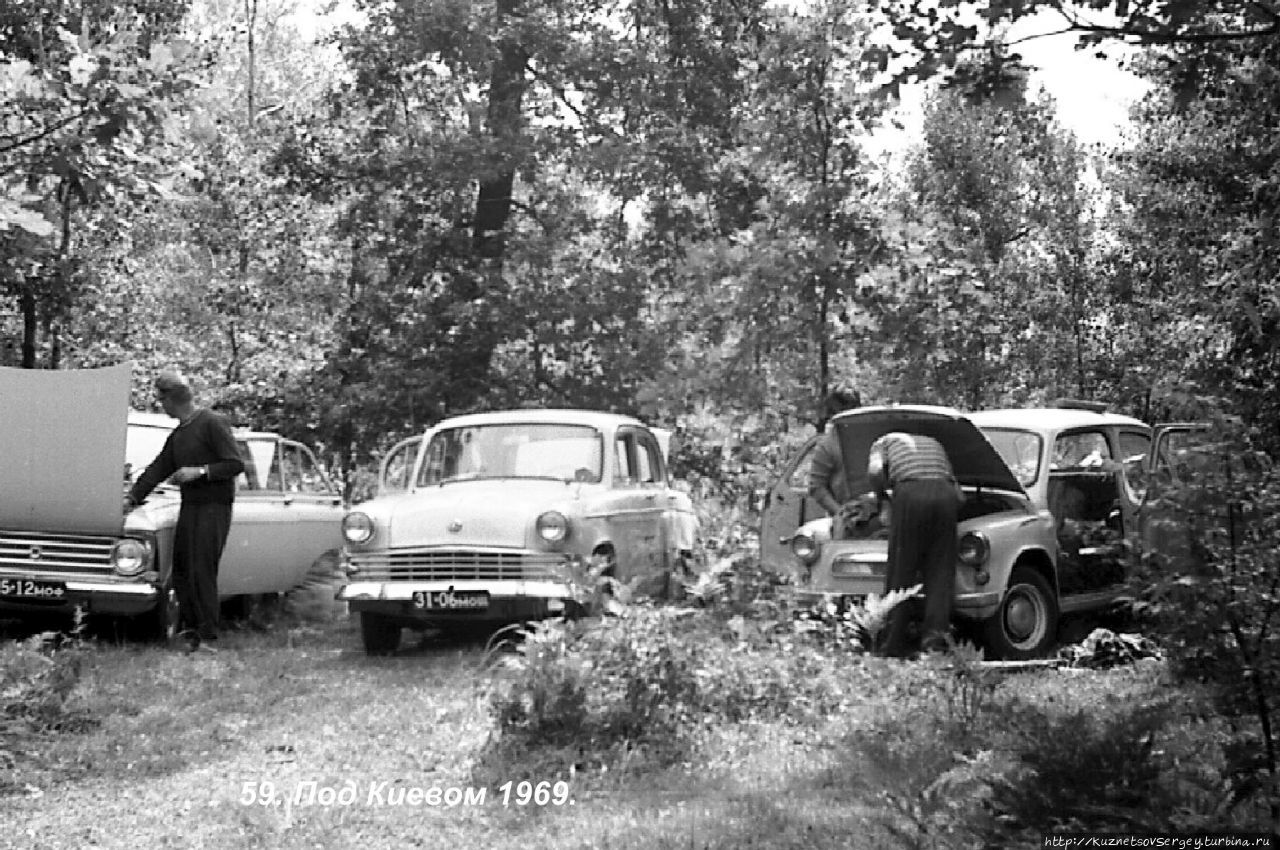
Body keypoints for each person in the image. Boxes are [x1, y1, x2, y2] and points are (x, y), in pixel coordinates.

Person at [124, 372, 244, 652]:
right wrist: (132, 498)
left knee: (202, 569)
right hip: (190, 507)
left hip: (215, 507)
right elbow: (158, 468)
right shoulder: (179, 435)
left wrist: (200, 472)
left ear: (172, 399)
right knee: (182, 570)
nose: (161, 405)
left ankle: (208, 636)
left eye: (162, 399)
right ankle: (191, 632)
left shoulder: (212, 423)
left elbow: (234, 464)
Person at [868, 431, 963, 657]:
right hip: (945, 494)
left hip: (910, 493)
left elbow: (874, 471)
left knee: (902, 567)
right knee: (940, 571)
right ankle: (934, 643)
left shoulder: (882, 442)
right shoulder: (934, 442)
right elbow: (959, 495)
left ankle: (893, 643)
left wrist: (882, 496)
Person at [807, 388, 862, 533]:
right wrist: (839, 511)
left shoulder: (872, 437)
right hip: (845, 515)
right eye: (842, 409)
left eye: (852, 408)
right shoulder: (828, 445)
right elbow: (816, 486)